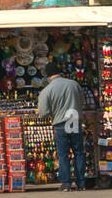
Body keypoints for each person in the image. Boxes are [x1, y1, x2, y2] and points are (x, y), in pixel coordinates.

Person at [36, 61, 86, 190]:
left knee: (63, 154)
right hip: (74, 120)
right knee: (78, 152)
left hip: (60, 124)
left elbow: (43, 112)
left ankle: (66, 183)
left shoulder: (47, 90)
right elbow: (82, 102)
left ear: (48, 76)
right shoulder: (74, 84)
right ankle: (81, 183)